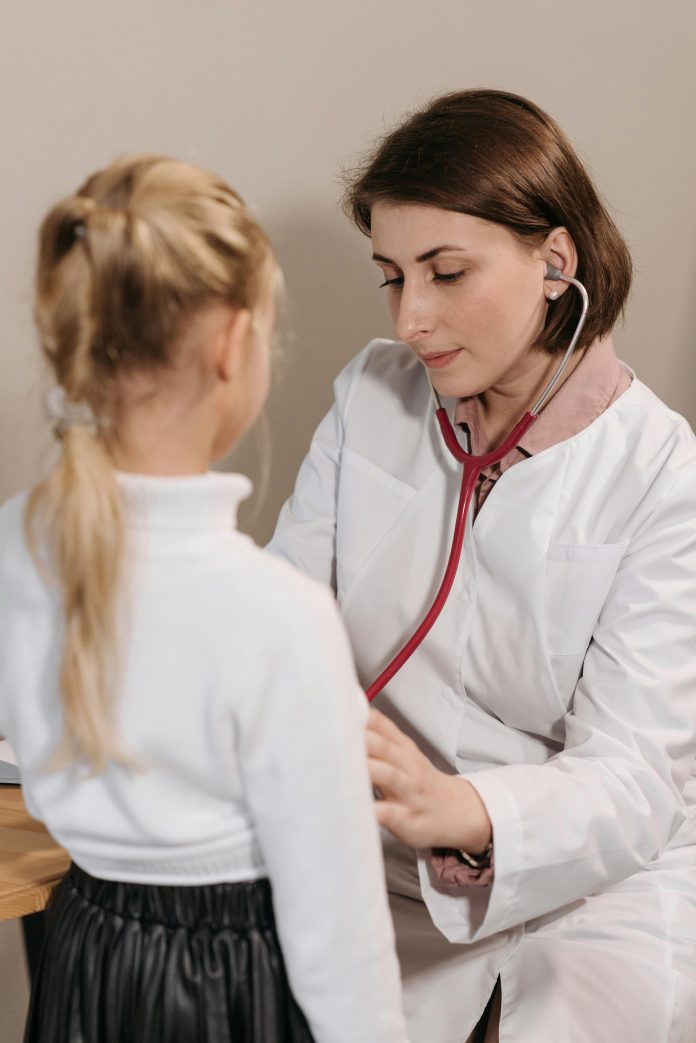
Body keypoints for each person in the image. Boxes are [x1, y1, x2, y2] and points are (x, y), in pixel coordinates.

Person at [268, 90, 696, 1042]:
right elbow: (279, 615)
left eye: (447, 272)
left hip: (588, 881)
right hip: (379, 850)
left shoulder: (662, 475)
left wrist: (460, 809)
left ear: (556, 262)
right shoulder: (373, 394)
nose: (412, 319)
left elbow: (633, 776)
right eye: (393, 278)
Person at [0, 155, 409, 1043]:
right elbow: (339, 936)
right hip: (230, 987)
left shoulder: (14, 546)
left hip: (81, 955)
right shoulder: (279, 616)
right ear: (231, 343)